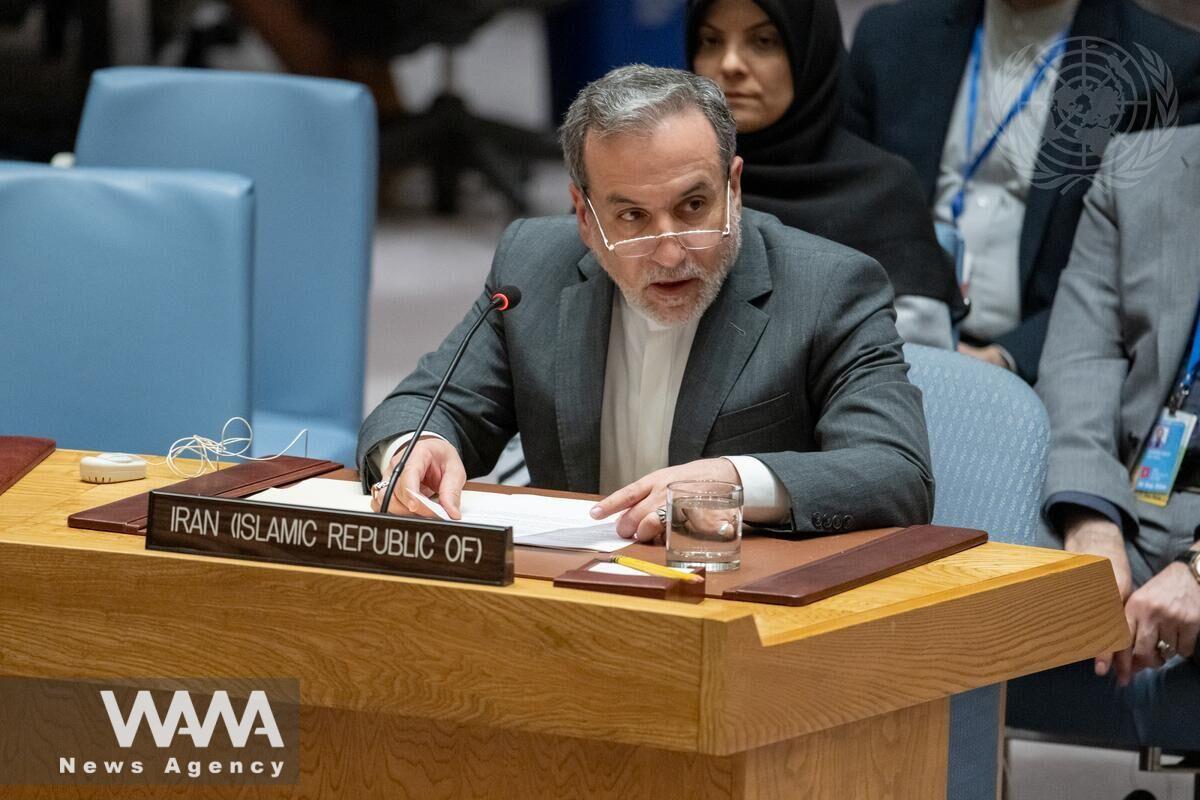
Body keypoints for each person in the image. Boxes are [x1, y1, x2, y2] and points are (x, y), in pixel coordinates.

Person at [358, 65, 934, 540]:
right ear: (585, 217)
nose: (668, 252)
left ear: (734, 188)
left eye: (693, 208)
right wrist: (416, 448)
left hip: (738, 611)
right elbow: (426, 405)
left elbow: (895, 472)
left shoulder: (829, 286)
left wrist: (736, 480)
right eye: (632, 216)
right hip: (567, 601)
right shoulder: (533, 264)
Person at [844, 0, 1200, 382]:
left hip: (1047, 365)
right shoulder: (890, 35)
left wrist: (1006, 358)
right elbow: (849, 211)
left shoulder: (1165, 66)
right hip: (884, 343)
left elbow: (1136, 271)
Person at [1005, 129, 1200, 750]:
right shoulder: (1142, 169)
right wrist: (1091, 522)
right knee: (965, 624)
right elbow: (1082, 356)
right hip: (1129, 491)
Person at [686, 0, 962, 350]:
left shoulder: (880, 190)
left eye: (764, 41)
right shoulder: (670, 186)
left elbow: (919, 369)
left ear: (811, 51)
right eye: (711, 41)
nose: (730, 64)